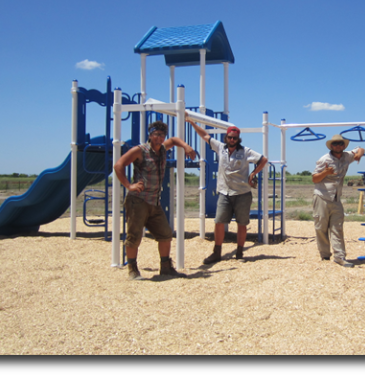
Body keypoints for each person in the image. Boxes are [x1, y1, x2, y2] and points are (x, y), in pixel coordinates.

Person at [114, 120, 197, 280]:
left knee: (165, 234)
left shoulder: (163, 149)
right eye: (156, 134)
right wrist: (128, 185)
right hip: (138, 201)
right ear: (150, 135)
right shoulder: (140, 150)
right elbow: (119, 165)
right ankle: (132, 269)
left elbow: (173, 140)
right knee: (134, 236)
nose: (160, 138)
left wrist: (186, 146)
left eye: (162, 135)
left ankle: (165, 268)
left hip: (154, 201)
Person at [187, 118, 267, 264]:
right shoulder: (220, 148)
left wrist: (253, 174)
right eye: (230, 137)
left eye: (235, 138)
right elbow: (205, 135)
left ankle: (239, 252)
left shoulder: (245, 151)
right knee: (219, 222)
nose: (232, 139)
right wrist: (192, 124)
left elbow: (263, 159)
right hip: (224, 192)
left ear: (238, 139)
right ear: (226, 137)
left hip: (242, 193)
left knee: (242, 223)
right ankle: (216, 252)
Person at [312, 134, 365, 268]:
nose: (338, 146)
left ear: (344, 145)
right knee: (321, 226)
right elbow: (314, 179)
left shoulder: (347, 156)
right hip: (322, 196)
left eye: (340, 144)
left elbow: (360, 148)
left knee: (337, 227)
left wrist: (359, 154)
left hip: (336, 197)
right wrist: (326, 172)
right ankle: (324, 254)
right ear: (331, 146)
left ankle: (340, 256)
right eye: (335, 144)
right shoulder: (324, 159)